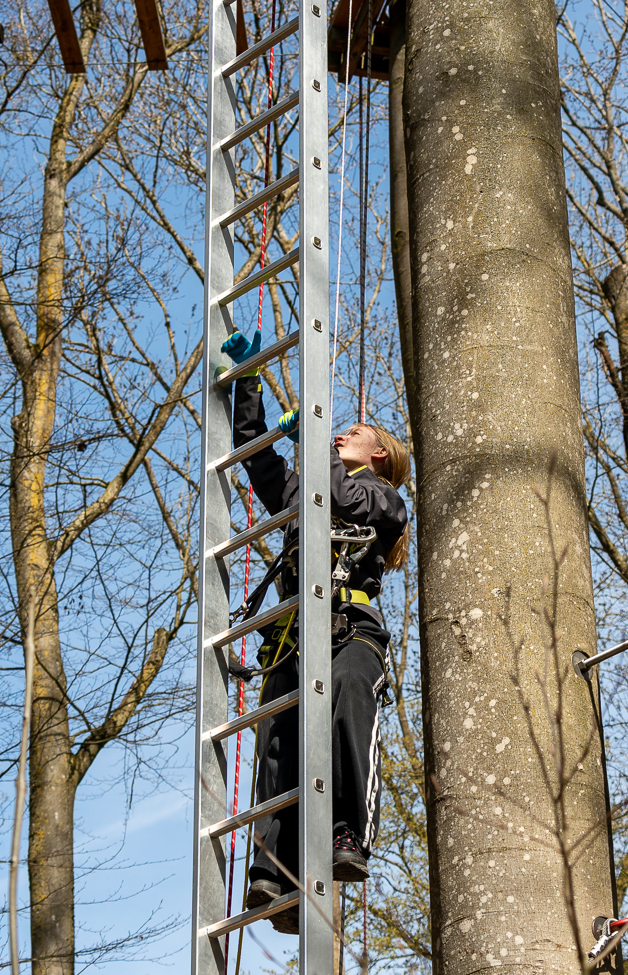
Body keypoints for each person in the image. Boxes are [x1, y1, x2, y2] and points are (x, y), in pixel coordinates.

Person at [221, 329, 409, 934]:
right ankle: (274, 865)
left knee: (348, 700)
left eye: (352, 433)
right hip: (299, 632)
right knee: (277, 730)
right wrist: (248, 382)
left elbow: (341, 498)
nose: (339, 434)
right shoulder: (312, 485)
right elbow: (260, 460)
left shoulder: (384, 500)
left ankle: (346, 829)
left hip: (353, 630)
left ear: (380, 454)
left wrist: (316, 443)